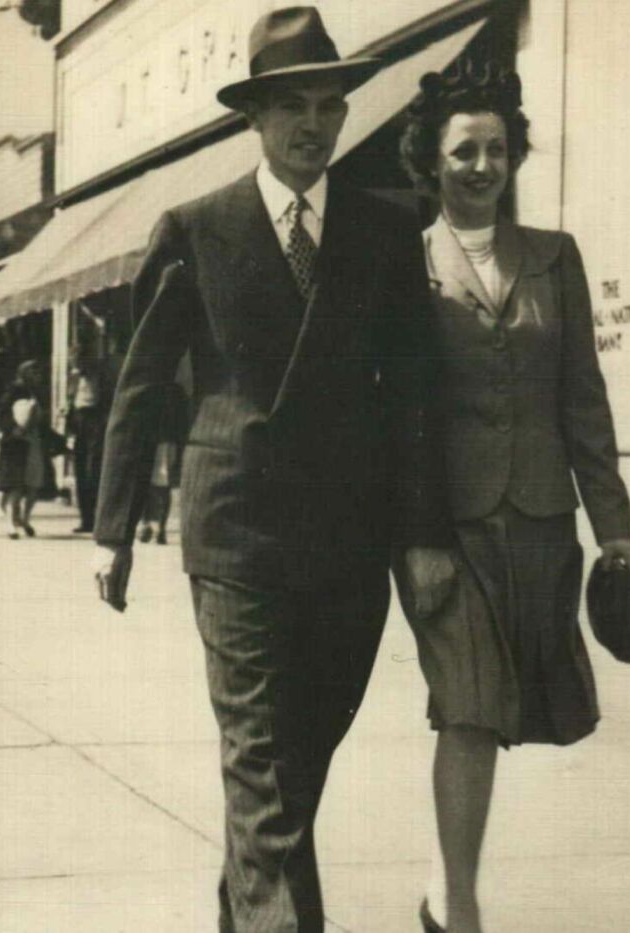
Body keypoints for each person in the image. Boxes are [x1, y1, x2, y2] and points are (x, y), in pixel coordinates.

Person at [92, 8, 457, 932]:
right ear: (253, 119)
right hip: (238, 537)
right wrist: (113, 531)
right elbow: (140, 389)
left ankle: (243, 912)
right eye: (292, 106)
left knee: (292, 767)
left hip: (349, 542)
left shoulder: (385, 230)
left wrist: (422, 536)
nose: (314, 125)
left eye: (330, 106)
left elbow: (416, 397)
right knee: (259, 759)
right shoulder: (195, 228)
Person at [398, 58, 630, 933]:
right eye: (464, 149)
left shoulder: (554, 257)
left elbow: (584, 400)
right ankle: (457, 905)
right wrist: (412, 538)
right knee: (467, 701)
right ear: (431, 158)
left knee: (500, 707)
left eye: (497, 149)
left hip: (540, 521)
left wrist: (616, 529)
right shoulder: (407, 261)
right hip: (447, 530)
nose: (482, 166)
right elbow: (398, 416)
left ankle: (440, 884)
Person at [0, 359, 50, 539]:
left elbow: (40, 419)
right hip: (15, 442)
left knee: (33, 483)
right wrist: (12, 429)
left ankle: (25, 519)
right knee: (15, 485)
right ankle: (12, 523)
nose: (39, 376)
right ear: (26, 373)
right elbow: (2, 413)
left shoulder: (36, 392)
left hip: (33, 441)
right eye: (35, 373)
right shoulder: (14, 390)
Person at [136, 381, 189, 545]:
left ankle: (156, 526)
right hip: (156, 439)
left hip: (162, 439)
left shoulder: (172, 390)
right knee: (153, 482)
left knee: (157, 483)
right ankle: (150, 525)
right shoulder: (175, 390)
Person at [67, 349, 106, 533]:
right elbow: (69, 402)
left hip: (95, 422)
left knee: (94, 472)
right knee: (80, 472)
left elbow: (105, 401)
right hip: (78, 423)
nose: (74, 363)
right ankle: (86, 520)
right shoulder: (73, 378)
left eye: (77, 359)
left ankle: (99, 519)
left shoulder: (100, 376)